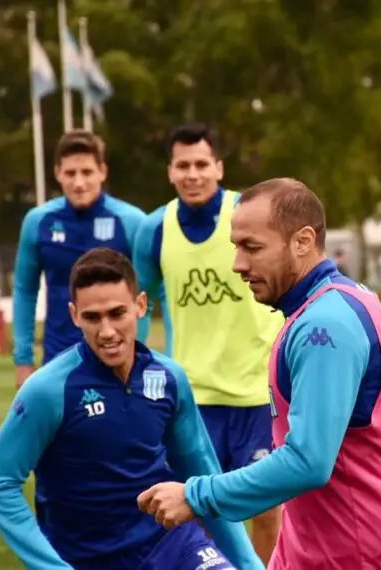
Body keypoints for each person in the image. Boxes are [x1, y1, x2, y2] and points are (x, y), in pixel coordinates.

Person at [137, 178, 381, 569]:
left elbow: (307, 462)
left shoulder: (323, 328)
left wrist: (195, 496)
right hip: (337, 551)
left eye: (252, 247)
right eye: (235, 247)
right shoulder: (351, 301)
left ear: (302, 241)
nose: (238, 264)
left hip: (357, 557)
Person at [0, 247, 263, 570]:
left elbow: (202, 471)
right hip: (86, 559)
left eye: (117, 313)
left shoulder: (169, 378)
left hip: (171, 545)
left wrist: (249, 564)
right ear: (74, 315)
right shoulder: (48, 390)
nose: (107, 332)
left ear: (140, 305)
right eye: (92, 317)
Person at [133, 124, 283, 563]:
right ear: (170, 171)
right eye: (184, 165)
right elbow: (138, 307)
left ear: (219, 167)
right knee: (195, 509)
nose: (193, 173)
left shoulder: (248, 212)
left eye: (202, 163)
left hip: (257, 392)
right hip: (193, 397)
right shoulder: (154, 229)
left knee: (267, 509)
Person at [13, 129, 147, 390]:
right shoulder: (38, 222)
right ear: (57, 173)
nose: (79, 182)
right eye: (70, 173)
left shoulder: (132, 222)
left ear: (102, 172)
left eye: (86, 172)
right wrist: (23, 360)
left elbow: (148, 293)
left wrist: (137, 352)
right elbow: (25, 290)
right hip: (58, 359)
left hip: (117, 360)